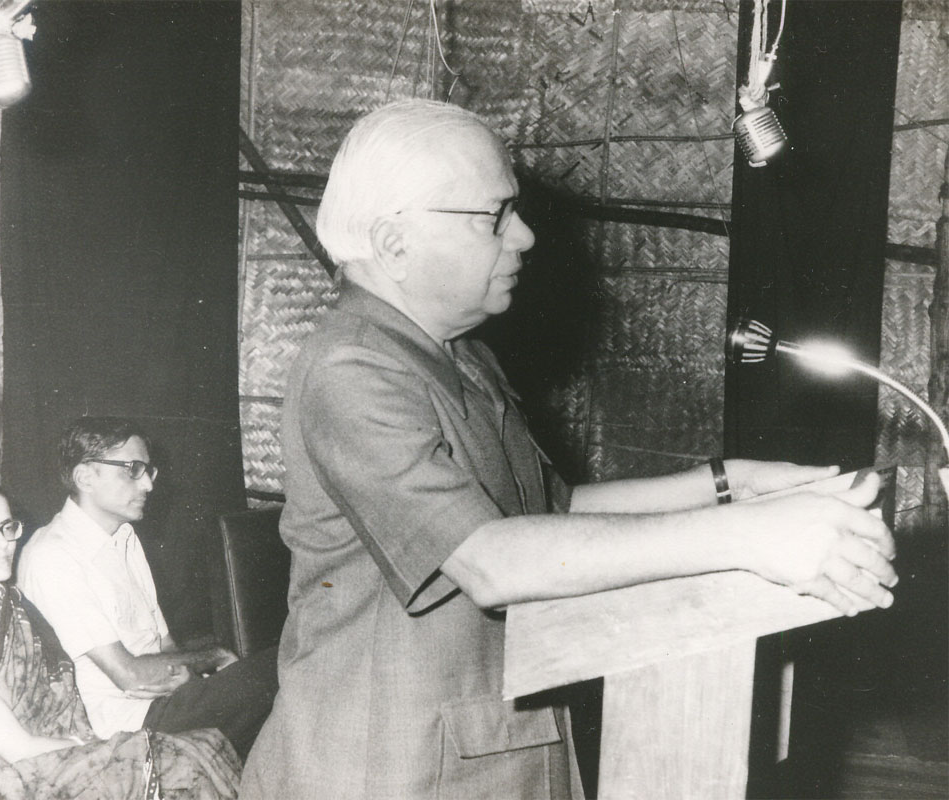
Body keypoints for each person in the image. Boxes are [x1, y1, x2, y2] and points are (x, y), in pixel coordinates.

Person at [239, 99, 898, 800]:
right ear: (394, 243)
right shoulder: (350, 368)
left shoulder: (460, 357)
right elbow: (491, 561)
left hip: (479, 755)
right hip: (386, 773)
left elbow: (552, 513)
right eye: (494, 215)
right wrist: (748, 536)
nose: (523, 235)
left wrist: (730, 485)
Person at [0, 473, 241, 800]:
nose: (3, 543)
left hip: (39, 754)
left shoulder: (12, 605)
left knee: (204, 746)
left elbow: (58, 704)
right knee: (175, 762)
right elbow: (18, 747)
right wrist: (103, 748)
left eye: (7, 527)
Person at [17, 416, 277, 760]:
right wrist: (213, 657)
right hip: (123, 727)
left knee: (283, 684)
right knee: (284, 667)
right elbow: (129, 675)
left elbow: (165, 644)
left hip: (164, 702)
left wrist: (191, 677)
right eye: (133, 470)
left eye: (148, 471)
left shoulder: (124, 536)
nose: (148, 485)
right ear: (85, 477)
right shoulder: (53, 556)